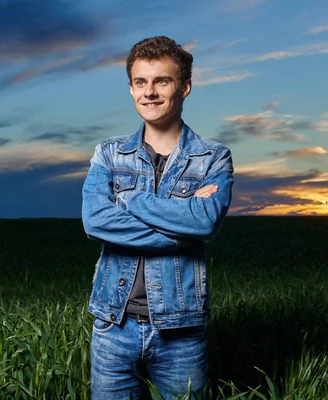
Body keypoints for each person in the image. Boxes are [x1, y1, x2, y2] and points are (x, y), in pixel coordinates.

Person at [81, 36, 234, 399]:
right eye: (140, 82)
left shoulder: (213, 158)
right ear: (132, 88)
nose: (149, 92)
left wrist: (130, 200)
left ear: (185, 87)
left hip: (180, 330)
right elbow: (95, 221)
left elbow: (205, 223)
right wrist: (183, 227)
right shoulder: (108, 153)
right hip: (112, 325)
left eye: (161, 81)